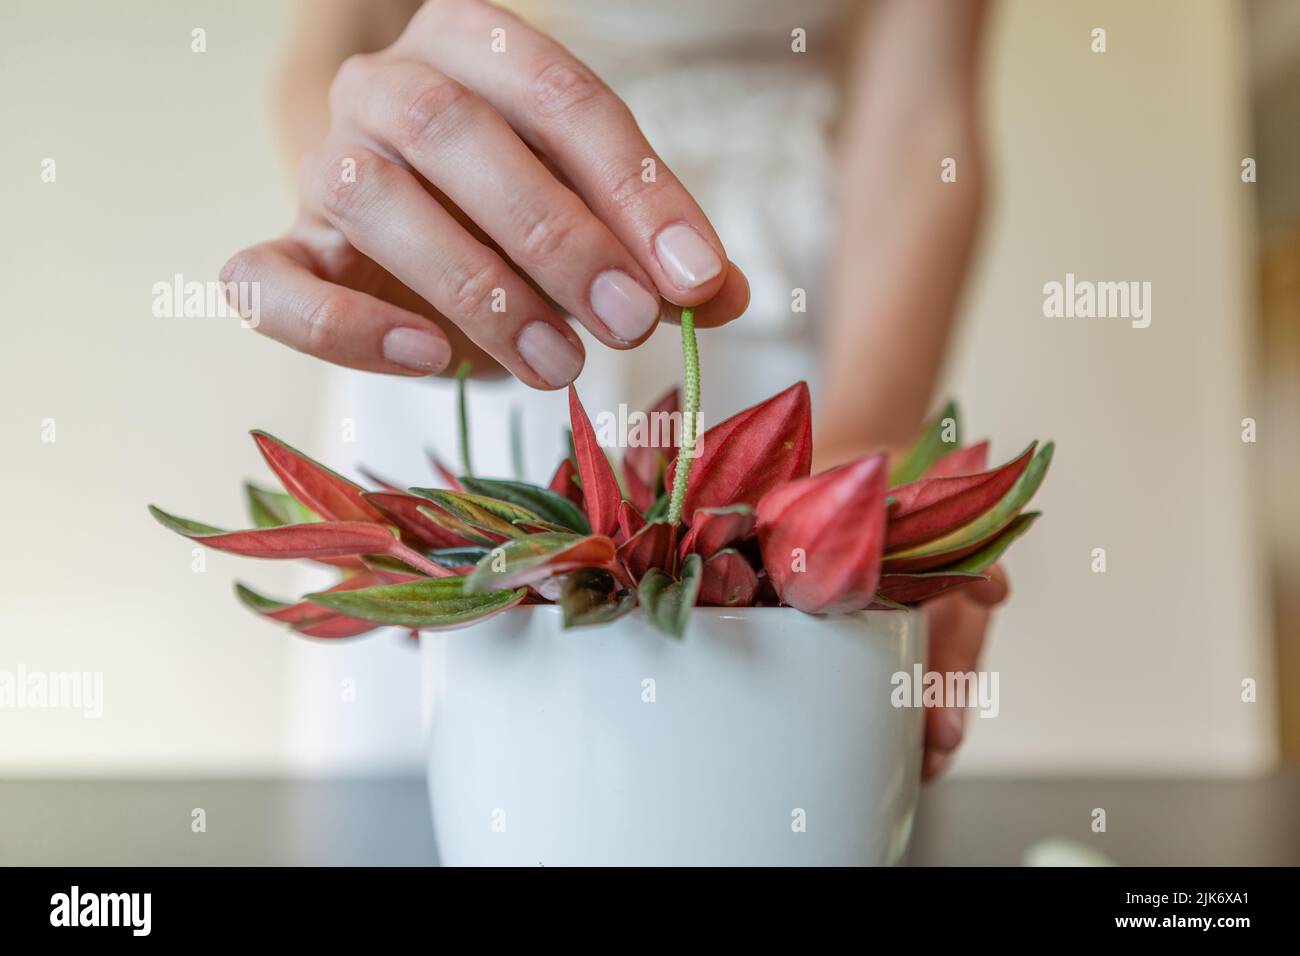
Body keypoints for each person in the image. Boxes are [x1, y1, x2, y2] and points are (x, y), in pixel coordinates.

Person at [230, 0, 1005, 779]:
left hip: (800, 334)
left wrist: (864, 457)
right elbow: (344, 48)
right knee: (435, 783)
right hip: (467, 275)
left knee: (768, 772)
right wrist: (370, 218)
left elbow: (923, 116)